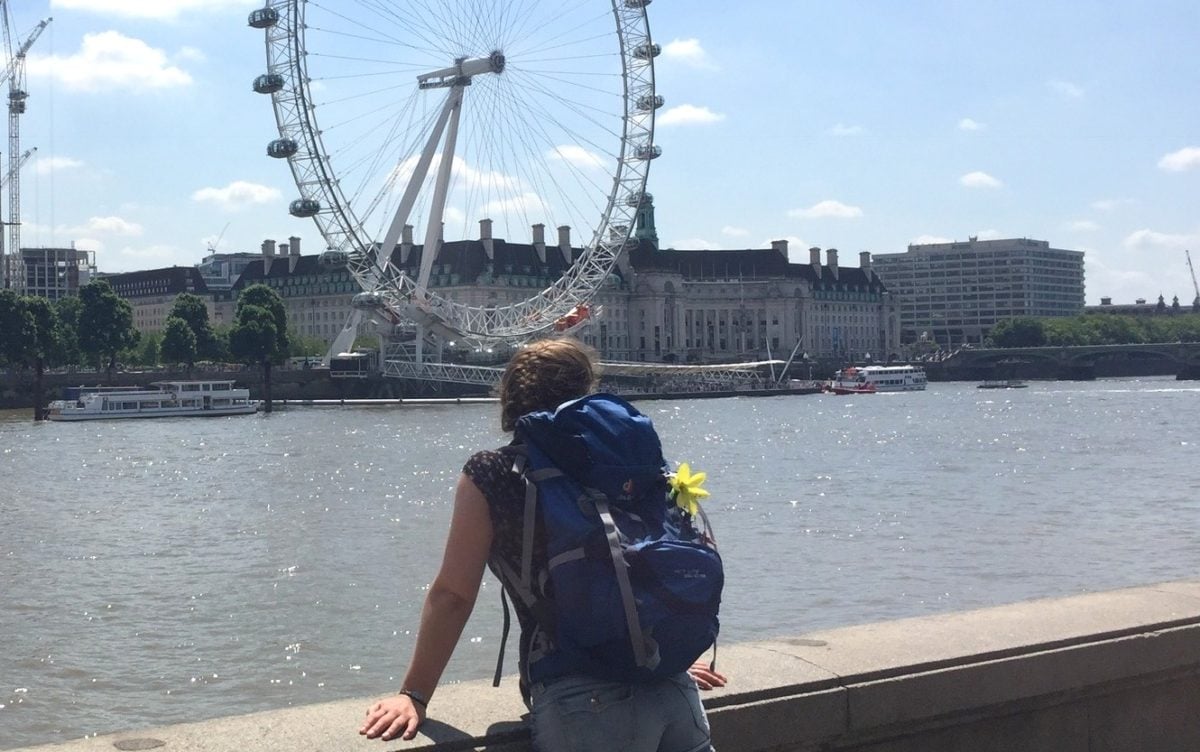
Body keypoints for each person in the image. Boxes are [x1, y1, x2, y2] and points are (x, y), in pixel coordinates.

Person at [360, 337, 727, 751]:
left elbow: (453, 596)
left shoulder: (495, 472)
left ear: (509, 398)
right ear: (586, 391)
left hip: (583, 701)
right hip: (674, 691)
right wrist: (664, 650)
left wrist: (414, 694)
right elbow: (655, 556)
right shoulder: (627, 463)